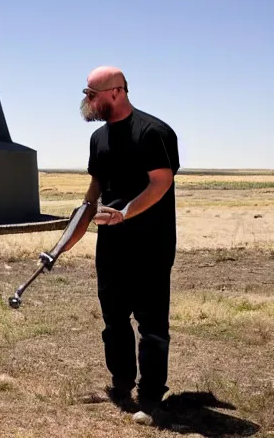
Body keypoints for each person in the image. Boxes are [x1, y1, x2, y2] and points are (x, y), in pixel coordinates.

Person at [80, 65, 180, 422]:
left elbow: (160, 183)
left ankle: (152, 397)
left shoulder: (154, 133)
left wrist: (126, 213)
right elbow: (95, 188)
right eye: (86, 93)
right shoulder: (99, 139)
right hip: (111, 246)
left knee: (151, 324)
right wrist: (80, 218)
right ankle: (121, 384)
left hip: (150, 246)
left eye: (92, 94)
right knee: (114, 320)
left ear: (117, 92)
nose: (87, 101)